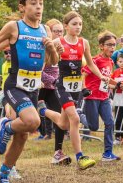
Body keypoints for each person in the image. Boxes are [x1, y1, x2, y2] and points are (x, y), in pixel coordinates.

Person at [0, 0, 59, 183]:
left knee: (23, 135)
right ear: (22, 7)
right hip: (15, 85)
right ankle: (6, 127)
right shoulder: (14, 27)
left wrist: (50, 48)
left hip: (33, 87)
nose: (38, 7)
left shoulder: (45, 30)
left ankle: (2, 177)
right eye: (33, 3)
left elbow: (52, 62)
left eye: (41, 3)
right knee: (33, 121)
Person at [38, 10, 109, 170]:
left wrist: (101, 77)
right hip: (62, 85)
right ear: (66, 26)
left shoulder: (84, 43)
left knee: (63, 123)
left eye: (80, 24)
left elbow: (90, 64)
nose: (78, 27)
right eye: (74, 24)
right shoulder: (58, 43)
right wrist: (39, 75)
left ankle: (43, 111)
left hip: (76, 87)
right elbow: (47, 62)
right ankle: (80, 157)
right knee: (75, 119)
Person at [82, 30, 120, 161]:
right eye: (109, 44)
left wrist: (116, 85)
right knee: (93, 127)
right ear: (101, 46)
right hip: (92, 97)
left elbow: (106, 80)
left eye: (114, 45)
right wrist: (84, 88)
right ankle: (80, 115)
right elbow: (84, 74)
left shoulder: (111, 62)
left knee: (110, 122)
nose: (112, 47)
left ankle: (107, 153)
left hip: (104, 97)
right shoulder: (95, 60)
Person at [38, 18, 72, 164]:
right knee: (27, 119)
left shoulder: (61, 46)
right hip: (39, 86)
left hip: (53, 88)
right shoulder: (42, 46)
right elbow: (38, 70)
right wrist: (52, 80)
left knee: (60, 118)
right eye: (55, 31)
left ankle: (58, 152)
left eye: (60, 31)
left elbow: (59, 68)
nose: (59, 33)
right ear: (48, 32)